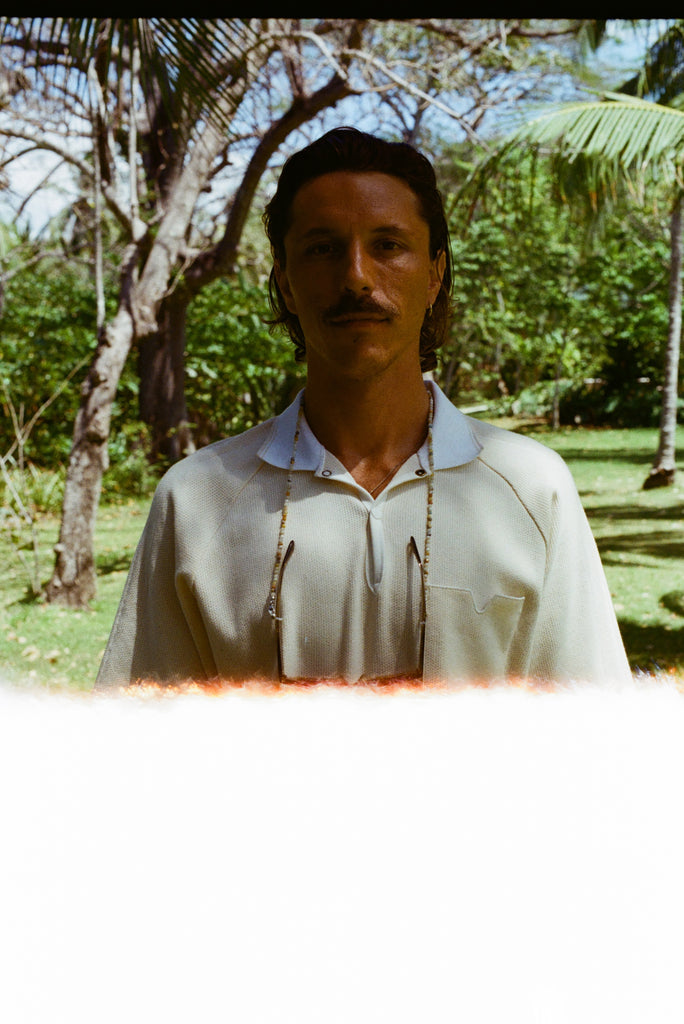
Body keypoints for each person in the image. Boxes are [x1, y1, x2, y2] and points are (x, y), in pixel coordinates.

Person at [96, 126, 631, 689]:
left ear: (434, 275)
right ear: (285, 280)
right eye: (322, 248)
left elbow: (591, 728)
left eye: (388, 246)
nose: (355, 276)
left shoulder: (531, 487)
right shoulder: (197, 499)